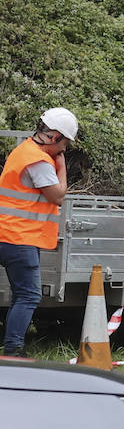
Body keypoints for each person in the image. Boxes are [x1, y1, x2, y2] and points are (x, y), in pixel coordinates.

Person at [0, 108, 77, 357]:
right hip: (19, 237)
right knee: (29, 294)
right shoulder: (40, 162)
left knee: (20, 294)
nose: (65, 149)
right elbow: (57, 196)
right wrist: (62, 167)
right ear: (55, 137)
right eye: (65, 143)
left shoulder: (24, 151)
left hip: (11, 234)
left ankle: (12, 346)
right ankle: (13, 351)